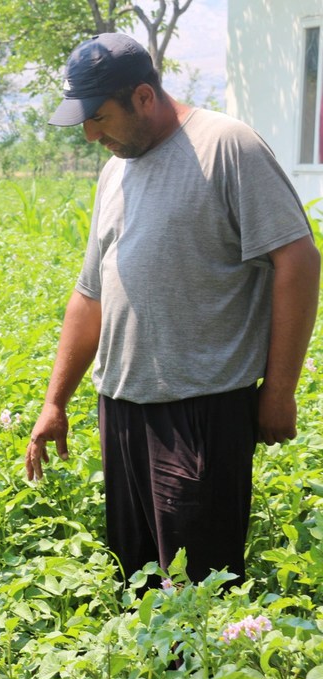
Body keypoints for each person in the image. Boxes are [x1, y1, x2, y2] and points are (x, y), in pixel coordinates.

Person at [26, 34, 320, 591]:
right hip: (122, 406)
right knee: (135, 577)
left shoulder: (227, 146)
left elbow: (299, 261)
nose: (91, 135)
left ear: (143, 97)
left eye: (100, 117)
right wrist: (55, 400)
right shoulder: (116, 169)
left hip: (201, 410)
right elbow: (90, 295)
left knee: (199, 586)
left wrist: (278, 392)